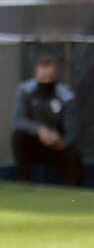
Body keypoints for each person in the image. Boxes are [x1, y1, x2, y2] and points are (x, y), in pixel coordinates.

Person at [11, 55, 83, 186]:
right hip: (34, 144)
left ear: (56, 76)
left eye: (50, 77)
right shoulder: (25, 91)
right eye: (43, 78)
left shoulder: (66, 95)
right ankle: (23, 182)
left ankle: (74, 192)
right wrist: (39, 130)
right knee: (18, 136)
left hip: (57, 146)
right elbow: (18, 120)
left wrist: (60, 142)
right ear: (35, 75)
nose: (46, 81)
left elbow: (72, 130)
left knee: (74, 155)